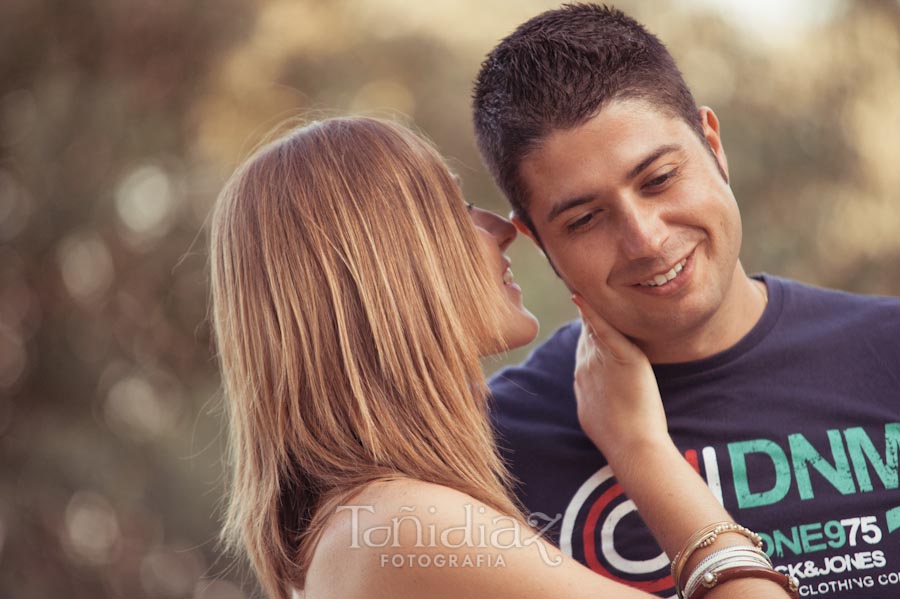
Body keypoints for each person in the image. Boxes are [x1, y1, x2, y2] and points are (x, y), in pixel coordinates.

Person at [208, 116, 797, 599]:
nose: (499, 228)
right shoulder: (400, 529)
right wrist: (639, 446)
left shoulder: (367, 524)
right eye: (454, 211)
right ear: (383, 271)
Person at [472, 4, 900, 599]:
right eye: (586, 218)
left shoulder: (889, 352)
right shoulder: (494, 448)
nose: (645, 238)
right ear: (538, 239)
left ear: (713, 145)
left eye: (659, 179)